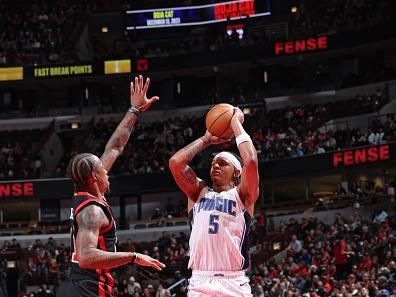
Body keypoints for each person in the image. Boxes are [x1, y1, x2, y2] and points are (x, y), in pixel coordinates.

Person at [57, 76, 165, 297]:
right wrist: (133, 257)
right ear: (93, 177)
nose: (107, 171)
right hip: (88, 289)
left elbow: (114, 147)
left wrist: (134, 111)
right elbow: (86, 257)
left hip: (78, 286)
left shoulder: (87, 191)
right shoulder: (92, 211)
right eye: (101, 169)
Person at [169, 107, 259, 296]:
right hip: (200, 281)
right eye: (213, 164)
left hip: (233, 282)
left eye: (222, 163)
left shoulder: (242, 195)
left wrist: (235, 124)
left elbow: (250, 161)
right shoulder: (198, 192)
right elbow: (176, 163)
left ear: (237, 172)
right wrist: (206, 139)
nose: (215, 166)